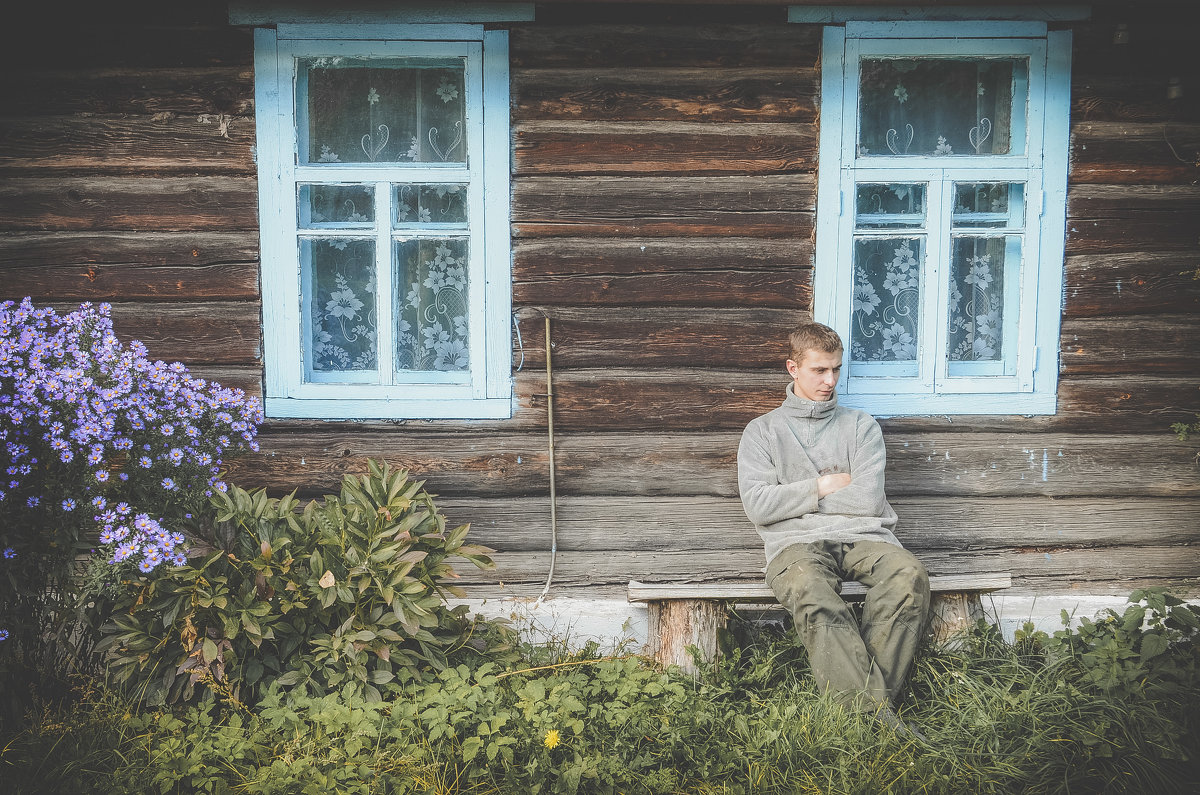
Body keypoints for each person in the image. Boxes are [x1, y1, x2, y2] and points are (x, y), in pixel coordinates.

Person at [737, 321, 931, 735]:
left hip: (865, 536)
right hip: (794, 546)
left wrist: (791, 498)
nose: (830, 381)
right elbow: (758, 505)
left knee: (908, 574)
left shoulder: (860, 426)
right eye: (819, 370)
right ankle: (876, 719)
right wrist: (823, 485)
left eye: (836, 370)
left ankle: (861, 717)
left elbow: (866, 500)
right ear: (793, 368)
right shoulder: (762, 432)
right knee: (810, 588)